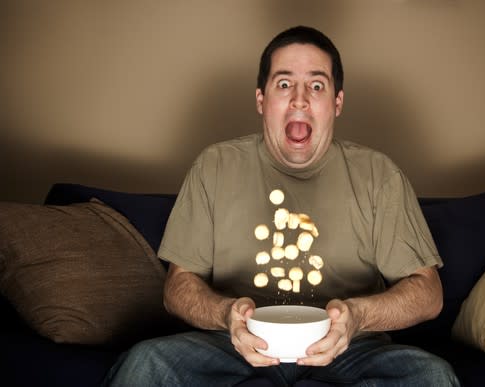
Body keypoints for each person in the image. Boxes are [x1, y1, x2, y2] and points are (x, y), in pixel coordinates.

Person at [104, 26, 460, 387]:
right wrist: (226, 314)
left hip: (349, 349)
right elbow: (177, 287)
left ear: (337, 103)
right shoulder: (215, 166)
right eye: (285, 84)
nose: (300, 100)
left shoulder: (379, 175)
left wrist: (356, 315)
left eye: (317, 86)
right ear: (262, 99)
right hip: (232, 345)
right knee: (146, 363)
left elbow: (428, 294)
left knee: (432, 375)